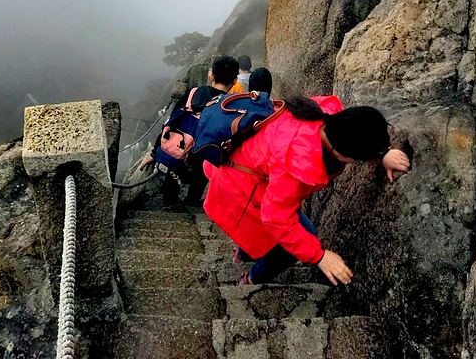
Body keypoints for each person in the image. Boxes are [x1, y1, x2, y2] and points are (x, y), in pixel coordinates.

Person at [203, 95, 410, 286]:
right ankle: (251, 280)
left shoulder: (326, 116)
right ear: (342, 154)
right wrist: (319, 256)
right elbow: (276, 218)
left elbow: (361, 129)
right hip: (239, 189)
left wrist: (382, 154)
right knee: (299, 238)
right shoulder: (294, 162)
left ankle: (242, 254)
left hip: (251, 172)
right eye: (357, 159)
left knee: (268, 234)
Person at [142, 55, 240, 206]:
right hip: (199, 166)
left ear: (212, 75)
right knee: (207, 156)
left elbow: (171, 123)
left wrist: (155, 152)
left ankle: (170, 204)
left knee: (175, 162)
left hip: (176, 154)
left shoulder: (193, 93)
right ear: (235, 80)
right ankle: (192, 202)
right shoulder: (229, 106)